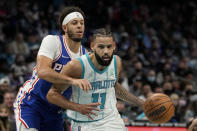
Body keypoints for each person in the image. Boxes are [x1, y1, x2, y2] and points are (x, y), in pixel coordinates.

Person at [14, 6, 100, 131]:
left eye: (82, 23)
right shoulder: (53, 41)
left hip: (55, 110)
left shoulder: (85, 55)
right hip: (32, 102)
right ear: (64, 27)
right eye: (74, 23)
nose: (79, 26)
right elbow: (42, 71)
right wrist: (72, 80)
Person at [47, 28, 144, 131]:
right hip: (85, 123)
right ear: (92, 46)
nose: (106, 51)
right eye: (101, 47)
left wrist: (140, 102)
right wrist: (77, 107)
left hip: (112, 119)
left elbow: (113, 86)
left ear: (114, 46)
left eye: (109, 47)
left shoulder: (116, 62)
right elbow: (52, 94)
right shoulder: (76, 66)